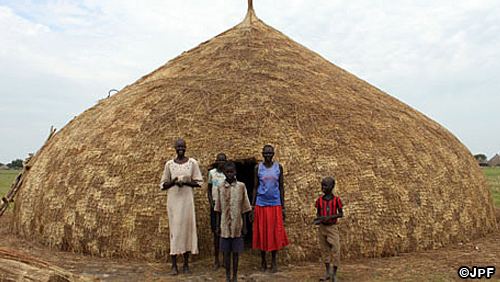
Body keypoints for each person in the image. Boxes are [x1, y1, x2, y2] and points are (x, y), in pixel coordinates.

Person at [160, 138, 203, 275]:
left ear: (186, 147)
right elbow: (163, 185)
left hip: (186, 201)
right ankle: (174, 265)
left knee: (186, 230)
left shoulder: (192, 163)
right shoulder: (169, 165)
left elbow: (198, 182)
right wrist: (174, 181)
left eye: (183, 146)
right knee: (175, 230)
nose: (181, 149)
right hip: (173, 202)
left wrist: (185, 182)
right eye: (178, 146)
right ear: (174, 148)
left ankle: (185, 264)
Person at [252, 145, 290, 273]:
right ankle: (263, 261)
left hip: (275, 203)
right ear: (262, 154)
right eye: (265, 153)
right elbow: (255, 187)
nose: (268, 155)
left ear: (273, 154)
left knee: (275, 232)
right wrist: (252, 207)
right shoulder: (258, 168)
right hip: (261, 204)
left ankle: (273, 261)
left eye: (270, 153)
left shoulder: (278, 167)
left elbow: (281, 187)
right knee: (262, 231)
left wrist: (283, 207)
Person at [214, 161, 252, 282]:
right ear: (224, 173)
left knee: (236, 252)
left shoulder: (241, 186)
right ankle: (227, 276)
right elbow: (218, 209)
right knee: (226, 252)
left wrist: (245, 226)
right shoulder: (220, 187)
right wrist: (217, 226)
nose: (230, 174)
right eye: (227, 172)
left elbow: (245, 208)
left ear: (235, 172)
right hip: (224, 225)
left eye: (232, 172)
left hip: (237, 225)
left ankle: (235, 276)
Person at [314, 177, 343, 282]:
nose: (323, 188)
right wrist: (319, 219)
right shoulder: (319, 201)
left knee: (335, 249)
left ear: (332, 186)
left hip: (332, 228)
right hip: (322, 228)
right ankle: (327, 272)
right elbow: (318, 212)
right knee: (325, 250)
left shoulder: (336, 200)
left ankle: (334, 273)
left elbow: (340, 214)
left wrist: (329, 217)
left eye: (326, 185)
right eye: (322, 185)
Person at [207, 153, 227, 270]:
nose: (221, 163)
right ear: (216, 161)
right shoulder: (212, 173)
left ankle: (224, 258)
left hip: (225, 207)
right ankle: (216, 259)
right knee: (216, 233)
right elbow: (209, 189)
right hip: (215, 206)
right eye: (219, 160)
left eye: (223, 160)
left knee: (224, 233)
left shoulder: (228, 174)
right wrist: (210, 201)